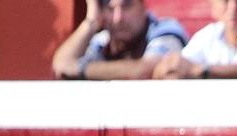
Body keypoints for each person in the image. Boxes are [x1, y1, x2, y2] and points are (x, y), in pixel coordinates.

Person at [51, 0, 187, 80]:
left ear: (143, 6)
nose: (118, 18)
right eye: (110, 8)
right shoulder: (103, 40)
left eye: (126, 6)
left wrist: (81, 69)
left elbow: (146, 70)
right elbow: (61, 66)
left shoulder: (166, 29)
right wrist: (91, 21)